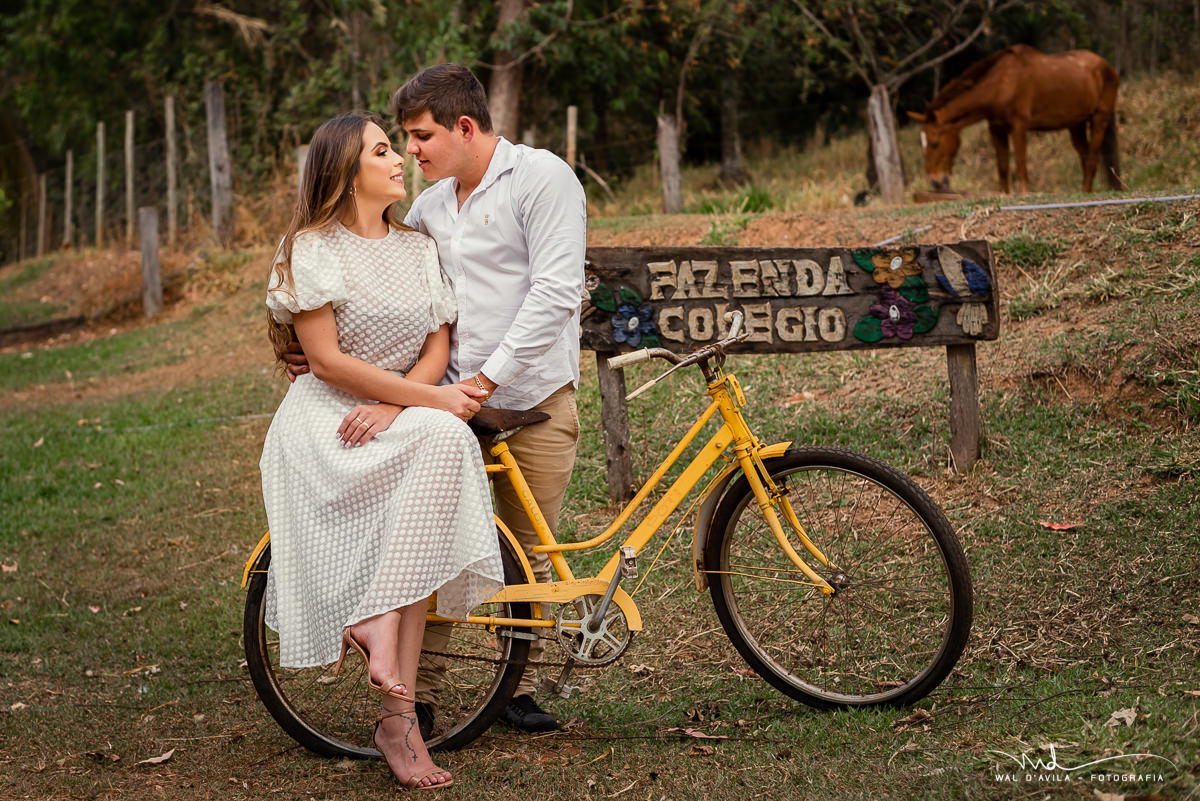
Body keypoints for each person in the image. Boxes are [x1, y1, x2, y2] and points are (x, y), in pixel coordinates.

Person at [287, 64, 587, 734]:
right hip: (441, 404)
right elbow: (389, 295)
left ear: (465, 127)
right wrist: (311, 348)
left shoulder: (541, 180)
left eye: (420, 136)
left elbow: (556, 293)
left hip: (531, 397)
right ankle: (420, 693)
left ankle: (518, 687)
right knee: (438, 542)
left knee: (531, 549)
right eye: (402, 140)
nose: (412, 150)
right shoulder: (426, 208)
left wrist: (485, 382)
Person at [261, 111, 502, 790]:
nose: (400, 159)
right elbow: (328, 363)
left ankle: (397, 715)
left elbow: (437, 349)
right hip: (327, 428)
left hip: (393, 418)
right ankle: (392, 696)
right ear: (346, 170)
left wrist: (402, 404)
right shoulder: (311, 248)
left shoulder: (416, 247)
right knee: (447, 432)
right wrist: (423, 405)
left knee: (438, 464)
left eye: (395, 148)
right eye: (382, 150)